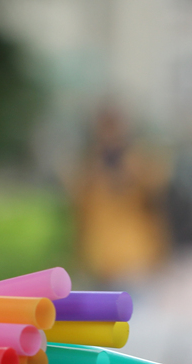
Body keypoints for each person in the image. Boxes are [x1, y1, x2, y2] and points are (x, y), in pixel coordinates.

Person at [73, 105, 169, 286]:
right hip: (99, 263)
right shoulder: (89, 169)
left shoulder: (142, 165)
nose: (110, 136)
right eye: (105, 128)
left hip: (135, 263)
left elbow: (156, 209)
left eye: (114, 127)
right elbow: (80, 216)